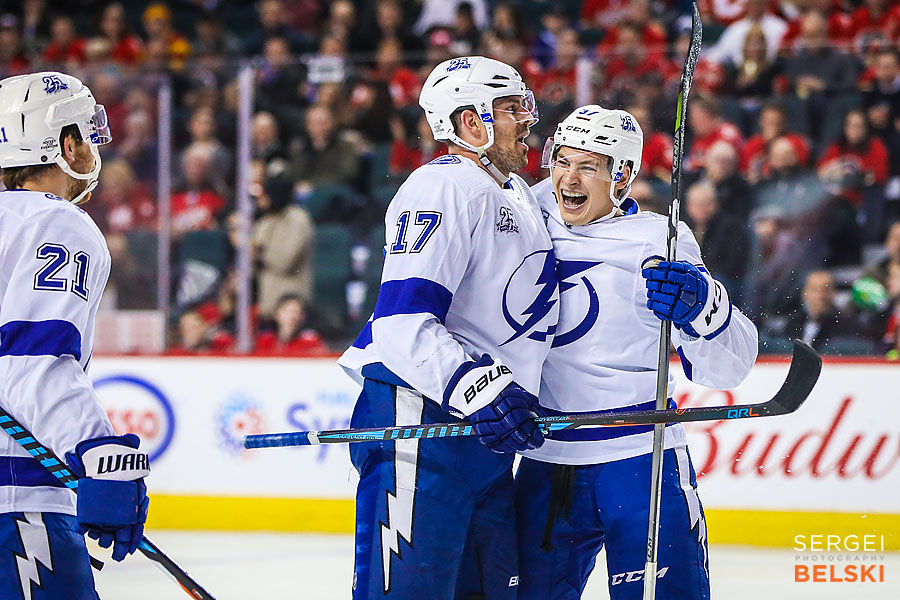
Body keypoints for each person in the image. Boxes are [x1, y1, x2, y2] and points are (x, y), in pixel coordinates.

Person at [517, 105, 759, 599]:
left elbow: (730, 366)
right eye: (562, 162)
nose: (569, 177)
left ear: (622, 175)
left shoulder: (661, 239)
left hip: (639, 460)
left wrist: (703, 307)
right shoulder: (524, 216)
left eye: (588, 166)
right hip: (546, 458)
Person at [338, 56, 557, 599]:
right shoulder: (444, 187)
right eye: (510, 109)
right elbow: (403, 321)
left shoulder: (515, 195)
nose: (526, 119)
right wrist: (476, 387)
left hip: (483, 429)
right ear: (468, 122)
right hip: (423, 419)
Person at [0, 72, 149, 598]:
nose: (91, 145)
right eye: (86, 132)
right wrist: (98, 451)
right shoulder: (54, 223)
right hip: (16, 507)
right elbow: (31, 361)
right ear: (64, 143)